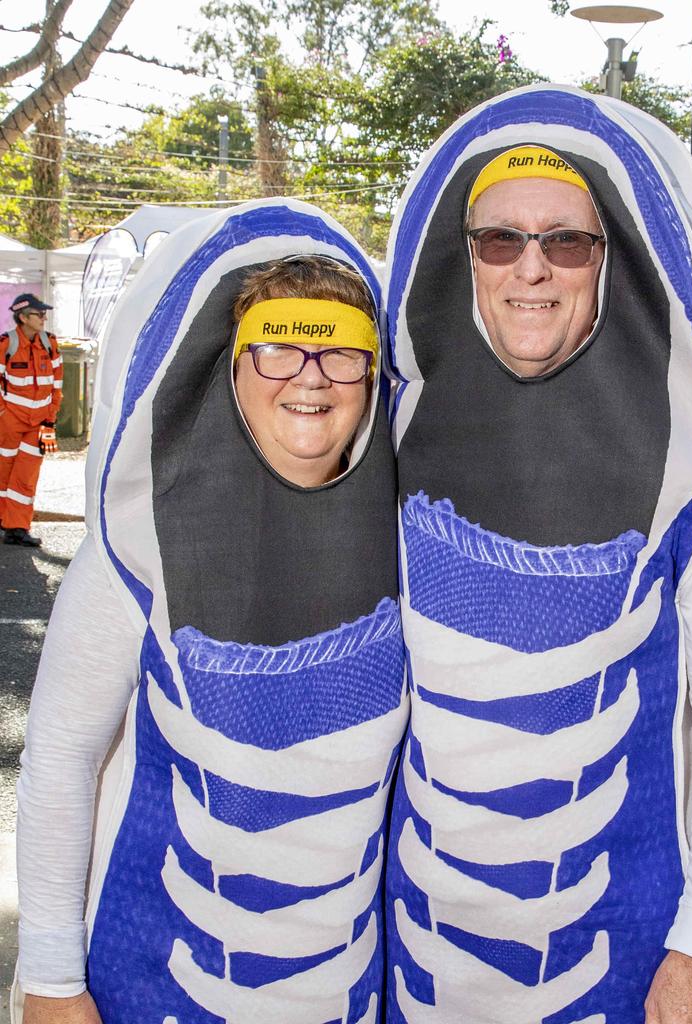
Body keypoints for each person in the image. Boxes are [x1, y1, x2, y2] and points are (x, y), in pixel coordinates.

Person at [384, 87, 692, 1024]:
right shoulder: (390, 430)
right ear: (464, 259)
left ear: (608, 261)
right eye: (500, 241)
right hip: (411, 941)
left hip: (626, 944)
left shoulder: (691, 449)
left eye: (567, 241)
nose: (533, 268)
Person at [14, 201, 406, 1024]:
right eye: (278, 346)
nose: (310, 374)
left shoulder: (408, 541)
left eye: (340, 350)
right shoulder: (147, 533)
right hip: (152, 980)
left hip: (342, 990)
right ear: (231, 369)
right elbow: (59, 758)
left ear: (373, 374)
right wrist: (50, 978)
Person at [0, 293, 62, 547]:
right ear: (23, 317)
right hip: (10, 422)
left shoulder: (51, 343)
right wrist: (3, 414)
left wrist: (51, 420)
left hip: (42, 423)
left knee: (27, 476)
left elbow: (57, 384)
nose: (44, 318)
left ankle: (17, 528)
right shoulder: (6, 344)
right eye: (39, 314)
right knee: (3, 472)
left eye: (44, 313)